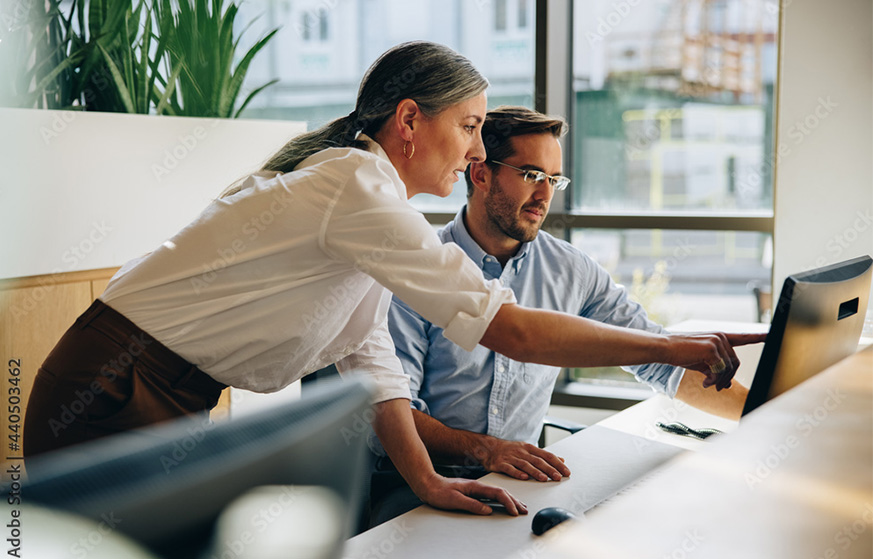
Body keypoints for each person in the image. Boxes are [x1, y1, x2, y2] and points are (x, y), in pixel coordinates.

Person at [24, 41, 762, 518]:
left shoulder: (372, 208)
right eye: (470, 125)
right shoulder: (357, 189)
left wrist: (428, 482)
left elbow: (371, 362)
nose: (476, 148)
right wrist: (673, 349)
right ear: (410, 119)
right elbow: (508, 328)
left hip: (162, 386)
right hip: (116, 381)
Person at [367, 106, 751, 524]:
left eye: (554, 179)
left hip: (520, 484)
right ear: (480, 174)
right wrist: (490, 449)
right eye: (532, 175)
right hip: (418, 485)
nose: (546, 195)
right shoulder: (418, 268)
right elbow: (393, 410)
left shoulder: (571, 270)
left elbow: (662, 362)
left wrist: (762, 416)